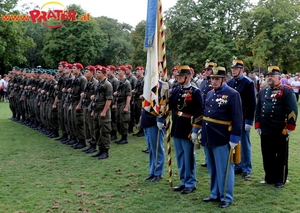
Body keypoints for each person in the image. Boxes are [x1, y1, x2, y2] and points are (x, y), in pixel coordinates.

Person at [201, 66, 243, 208]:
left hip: (222, 136)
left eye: (217, 79)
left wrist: (235, 137)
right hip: (208, 135)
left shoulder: (232, 94)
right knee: (212, 168)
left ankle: (226, 196)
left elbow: (237, 117)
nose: (213, 81)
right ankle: (214, 193)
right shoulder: (209, 94)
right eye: (212, 78)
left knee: (224, 169)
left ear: (224, 79)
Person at [255, 65, 298, 188]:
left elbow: (293, 110)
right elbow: (258, 109)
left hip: (280, 129)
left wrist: (290, 127)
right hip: (265, 128)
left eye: (272, 76)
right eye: (268, 76)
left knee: (281, 156)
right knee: (267, 154)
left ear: (279, 77)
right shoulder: (263, 91)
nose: (270, 78)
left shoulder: (287, 90)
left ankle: (280, 179)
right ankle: (269, 177)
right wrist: (258, 125)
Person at [169, 65, 203, 194]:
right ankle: (183, 181)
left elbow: (200, 112)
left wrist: (195, 130)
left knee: (188, 157)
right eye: (177, 76)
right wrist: (163, 93)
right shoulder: (177, 90)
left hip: (188, 127)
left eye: (181, 76)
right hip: (177, 125)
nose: (178, 78)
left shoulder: (195, 91)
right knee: (180, 156)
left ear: (188, 77)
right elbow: (170, 105)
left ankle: (190, 182)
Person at [227, 58, 256, 179]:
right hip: (232, 117)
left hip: (244, 116)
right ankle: (237, 164)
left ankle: (246, 168)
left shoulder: (248, 83)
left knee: (244, 143)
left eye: (236, 68)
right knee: (234, 141)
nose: (233, 70)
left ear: (242, 70)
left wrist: (249, 120)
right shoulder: (230, 83)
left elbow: (252, 103)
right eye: (232, 68)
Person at [142, 80, 168, 182]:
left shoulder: (160, 85)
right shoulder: (148, 83)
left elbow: (163, 103)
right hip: (146, 120)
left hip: (154, 121)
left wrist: (161, 119)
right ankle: (152, 171)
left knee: (157, 149)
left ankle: (158, 172)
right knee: (152, 149)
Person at [199, 60, 216, 167]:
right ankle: (207, 158)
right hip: (203, 111)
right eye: (206, 70)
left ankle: (213, 158)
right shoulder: (204, 82)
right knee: (205, 137)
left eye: (209, 70)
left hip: (213, 112)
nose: (207, 72)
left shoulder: (215, 81)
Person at [114, 65, 132, 144]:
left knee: (123, 121)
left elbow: (128, 95)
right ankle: (122, 137)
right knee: (119, 120)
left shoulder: (127, 83)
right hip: (119, 102)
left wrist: (126, 106)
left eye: (120, 70)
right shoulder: (119, 82)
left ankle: (124, 138)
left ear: (124, 72)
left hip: (124, 102)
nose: (118, 72)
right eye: (118, 70)